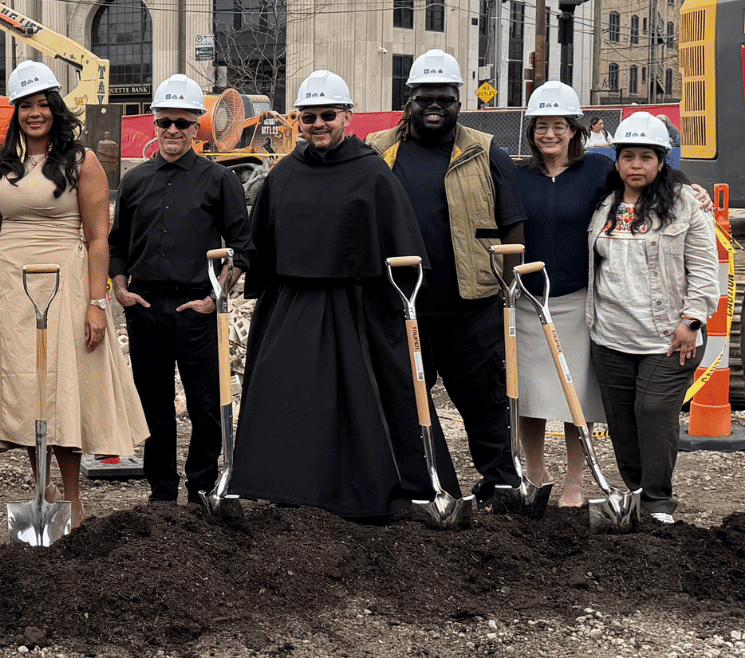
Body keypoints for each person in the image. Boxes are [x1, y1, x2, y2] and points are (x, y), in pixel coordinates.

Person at [233, 70, 428, 518]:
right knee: (288, 396)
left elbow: (400, 247)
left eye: (327, 115)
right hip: (290, 303)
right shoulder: (284, 175)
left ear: (347, 116)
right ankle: (290, 488)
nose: (317, 124)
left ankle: (360, 494)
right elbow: (260, 239)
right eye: (308, 116)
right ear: (298, 121)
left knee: (358, 401)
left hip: (355, 308)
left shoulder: (371, 172)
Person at [0, 60, 145, 527]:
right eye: (25, 106)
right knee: (28, 391)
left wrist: (96, 302)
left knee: (62, 390)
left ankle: (72, 499)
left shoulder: (82, 163)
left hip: (66, 284)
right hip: (12, 290)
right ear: (15, 113)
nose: (34, 113)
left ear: (55, 108)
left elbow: (98, 238)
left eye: (42, 104)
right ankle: (41, 492)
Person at [364, 49, 527, 504]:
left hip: (472, 309)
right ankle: (418, 488)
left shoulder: (486, 150)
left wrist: (508, 291)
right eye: (424, 98)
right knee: (406, 405)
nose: (435, 106)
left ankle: (503, 484)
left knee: (486, 404)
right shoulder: (377, 151)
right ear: (408, 99)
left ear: (459, 101)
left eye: (445, 98)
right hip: (403, 308)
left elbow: (512, 225)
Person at [107, 73, 252, 506]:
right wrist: (120, 289)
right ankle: (162, 494)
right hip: (146, 306)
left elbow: (242, 250)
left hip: (196, 308)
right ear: (154, 124)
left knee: (205, 404)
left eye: (181, 122)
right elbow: (118, 244)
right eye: (164, 122)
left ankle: (202, 488)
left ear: (196, 127)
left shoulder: (219, 181)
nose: (172, 130)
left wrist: (215, 298)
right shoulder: (135, 182)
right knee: (154, 405)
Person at [586, 113, 722, 525]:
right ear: (617, 160)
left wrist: (693, 321)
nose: (636, 165)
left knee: (653, 411)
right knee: (621, 421)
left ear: (661, 161)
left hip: (669, 336)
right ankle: (635, 494)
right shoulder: (603, 205)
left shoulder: (684, 205)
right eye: (628, 156)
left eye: (646, 157)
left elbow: (704, 267)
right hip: (610, 335)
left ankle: (659, 501)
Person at [514, 80, 607, 509]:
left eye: (559, 126)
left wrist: (692, 190)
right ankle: (535, 471)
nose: (549, 134)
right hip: (527, 301)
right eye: (541, 126)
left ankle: (575, 479)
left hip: (575, 299)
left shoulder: (598, 172)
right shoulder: (517, 177)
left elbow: (649, 182)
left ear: (575, 130)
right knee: (528, 396)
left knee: (576, 399)